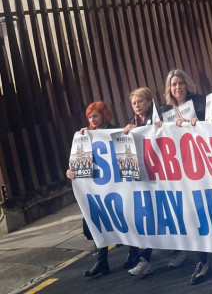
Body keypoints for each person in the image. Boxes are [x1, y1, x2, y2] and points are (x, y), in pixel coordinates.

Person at [158, 69, 209, 282]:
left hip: (203, 166)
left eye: (180, 83)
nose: (177, 87)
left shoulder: (200, 103)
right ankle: (202, 260)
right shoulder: (164, 111)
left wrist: (192, 122)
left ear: (187, 84)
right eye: (173, 84)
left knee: (207, 209)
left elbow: (210, 124)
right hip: (180, 171)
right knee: (191, 213)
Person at [66, 102, 117, 278]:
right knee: (96, 222)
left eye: (95, 116)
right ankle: (101, 261)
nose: (92, 119)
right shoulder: (84, 136)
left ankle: (134, 254)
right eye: (90, 117)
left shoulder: (113, 131)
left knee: (124, 218)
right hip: (94, 187)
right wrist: (72, 171)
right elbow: (79, 161)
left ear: (104, 115)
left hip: (113, 185)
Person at [122, 89, 157, 276]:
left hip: (161, 176)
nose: (136, 105)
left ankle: (179, 251)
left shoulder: (159, 116)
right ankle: (145, 259)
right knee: (148, 218)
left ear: (149, 102)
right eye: (134, 102)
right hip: (143, 178)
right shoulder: (131, 122)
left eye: (140, 101)